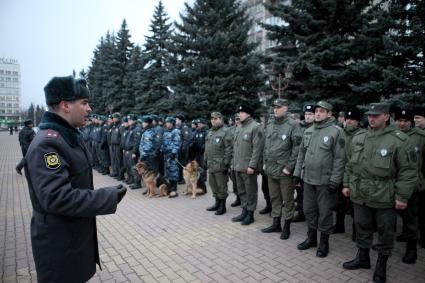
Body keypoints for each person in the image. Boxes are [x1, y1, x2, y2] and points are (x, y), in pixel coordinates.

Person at [23, 76, 127, 282]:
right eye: (84, 102)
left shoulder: (66, 137)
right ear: (65, 105)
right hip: (59, 246)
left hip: (72, 241)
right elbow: (56, 197)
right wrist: (106, 197)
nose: (89, 109)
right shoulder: (49, 144)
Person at [342, 103, 417, 283]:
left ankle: (381, 264)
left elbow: (408, 171)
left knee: (385, 231)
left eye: (377, 115)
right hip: (360, 193)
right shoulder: (360, 137)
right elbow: (350, 164)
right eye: (370, 115)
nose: (372, 118)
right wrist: (346, 184)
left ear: (386, 117)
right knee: (361, 226)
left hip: (385, 195)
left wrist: (402, 196)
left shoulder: (399, 140)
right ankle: (363, 258)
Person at [294, 101, 346, 258]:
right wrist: (297, 174)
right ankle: (311, 238)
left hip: (325, 182)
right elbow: (301, 154)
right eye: (316, 111)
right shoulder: (308, 131)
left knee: (324, 213)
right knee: (309, 210)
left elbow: (340, 158)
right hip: (308, 180)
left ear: (329, 114)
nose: (317, 114)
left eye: (322, 111)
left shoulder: (336, 132)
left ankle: (324, 242)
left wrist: (335, 180)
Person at [261, 99, 302, 240]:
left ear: (285, 108)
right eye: (274, 107)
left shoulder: (293, 125)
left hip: (284, 170)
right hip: (271, 168)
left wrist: (289, 167)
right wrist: (265, 161)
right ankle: (276, 222)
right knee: (274, 197)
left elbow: (297, 148)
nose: (275, 110)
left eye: (278, 107)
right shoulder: (271, 124)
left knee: (288, 198)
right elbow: (266, 145)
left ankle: (287, 226)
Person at [394, 107, 425, 264]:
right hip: (392, 183)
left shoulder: (420, 137)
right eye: (399, 120)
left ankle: (411, 249)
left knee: (410, 217)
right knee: (389, 215)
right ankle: (389, 242)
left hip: (413, 184)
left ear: (411, 122)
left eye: (405, 121)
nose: (402, 124)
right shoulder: (391, 135)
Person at [231, 104, 264, 225]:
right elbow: (236, 148)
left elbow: (257, 149)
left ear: (248, 114)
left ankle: (250, 214)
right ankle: (244, 211)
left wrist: (252, 166)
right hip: (238, 166)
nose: (239, 114)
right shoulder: (239, 127)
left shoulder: (255, 127)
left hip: (248, 167)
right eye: (239, 113)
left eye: (242, 112)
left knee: (250, 191)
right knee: (241, 191)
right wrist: (233, 164)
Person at [205, 112, 233, 215]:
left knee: (221, 186)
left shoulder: (226, 131)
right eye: (212, 118)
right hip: (211, 164)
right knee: (213, 185)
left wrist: (226, 163)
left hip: (220, 164)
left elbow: (229, 149)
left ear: (221, 119)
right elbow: (207, 147)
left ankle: (222, 206)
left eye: (216, 118)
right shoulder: (210, 132)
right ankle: (217, 203)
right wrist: (205, 159)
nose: (213, 120)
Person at [293, 103, 315, 223]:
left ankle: (311, 216)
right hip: (299, 165)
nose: (308, 116)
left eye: (310, 114)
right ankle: (301, 213)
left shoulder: (318, 128)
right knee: (300, 192)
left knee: (310, 195)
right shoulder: (299, 127)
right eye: (306, 114)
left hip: (311, 167)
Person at [162, 117, 181, 197]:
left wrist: (173, 153)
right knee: (168, 171)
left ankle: (174, 190)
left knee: (174, 171)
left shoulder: (176, 131)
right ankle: (170, 187)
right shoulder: (166, 132)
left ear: (172, 123)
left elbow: (177, 143)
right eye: (166, 122)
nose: (167, 124)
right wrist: (161, 149)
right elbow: (163, 142)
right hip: (166, 155)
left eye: (168, 122)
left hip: (173, 155)